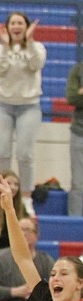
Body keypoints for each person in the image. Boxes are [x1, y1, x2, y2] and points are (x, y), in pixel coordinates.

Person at [0, 12, 46, 209]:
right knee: (2, 152)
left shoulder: (37, 47)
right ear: (7, 27)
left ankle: (26, 197)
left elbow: (36, 64)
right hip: (1, 104)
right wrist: (5, 47)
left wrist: (29, 43)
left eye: (20, 23)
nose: (16, 26)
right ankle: (0, 195)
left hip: (29, 105)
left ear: (27, 26)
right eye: (13, 23)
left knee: (25, 153)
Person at [68, 60, 83, 217]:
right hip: (79, 132)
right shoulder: (78, 70)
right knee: (78, 184)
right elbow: (71, 97)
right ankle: (76, 221)